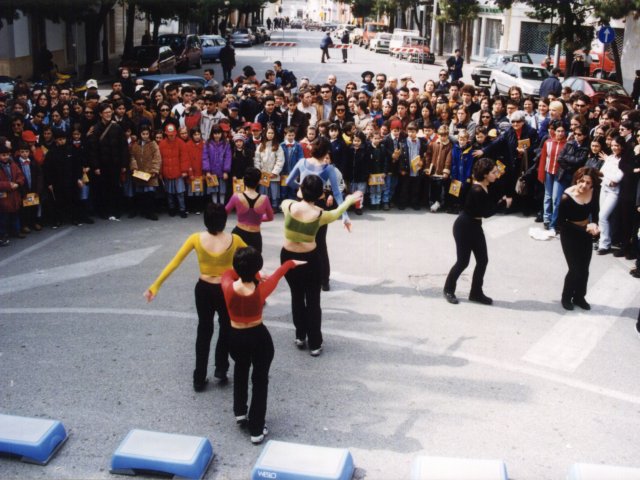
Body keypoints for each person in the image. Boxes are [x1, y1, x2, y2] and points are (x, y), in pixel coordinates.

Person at [144, 203, 248, 391]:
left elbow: (174, 263)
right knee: (226, 327)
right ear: (224, 221)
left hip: (203, 289)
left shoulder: (195, 238)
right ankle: (221, 369)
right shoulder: (236, 239)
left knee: (204, 330)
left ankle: (199, 378)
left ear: (205, 221)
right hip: (226, 289)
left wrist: (155, 285)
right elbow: (252, 260)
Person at [222, 247, 304, 444]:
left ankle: (240, 412)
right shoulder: (262, 290)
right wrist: (290, 263)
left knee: (240, 370)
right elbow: (279, 273)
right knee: (260, 380)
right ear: (257, 267)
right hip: (258, 336)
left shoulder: (226, 285)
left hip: (234, 335)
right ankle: (256, 429)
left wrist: (253, 272)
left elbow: (228, 273)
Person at [280, 174, 362, 356]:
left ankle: (300, 335)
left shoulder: (287, 205)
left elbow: (293, 201)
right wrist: (348, 200)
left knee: (296, 296)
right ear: (319, 195)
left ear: (301, 190)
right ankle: (315, 343)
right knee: (313, 300)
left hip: (288, 257)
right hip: (310, 259)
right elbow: (337, 212)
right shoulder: (321, 215)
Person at [443, 158, 512, 305]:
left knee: (482, 260)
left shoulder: (486, 185)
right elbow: (486, 212)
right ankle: (448, 289)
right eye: (493, 172)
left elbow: (496, 193)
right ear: (486, 174)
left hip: (475, 225)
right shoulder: (477, 189)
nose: (496, 174)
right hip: (464, 227)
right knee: (463, 262)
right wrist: (503, 204)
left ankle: (476, 293)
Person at [557, 167, 601, 310]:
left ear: (592, 184)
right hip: (569, 233)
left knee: (585, 268)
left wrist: (594, 224)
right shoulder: (566, 197)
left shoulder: (593, 193)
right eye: (581, 181)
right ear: (577, 179)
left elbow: (595, 212)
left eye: (588, 183)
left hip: (585, 233)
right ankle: (566, 297)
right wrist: (584, 229)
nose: (584, 185)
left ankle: (579, 297)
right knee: (575, 269)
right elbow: (560, 223)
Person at [225, 167, 274, 253]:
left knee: (236, 262)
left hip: (238, 233)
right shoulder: (265, 199)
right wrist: (258, 217)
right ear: (259, 181)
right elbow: (270, 217)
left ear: (244, 180)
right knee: (254, 264)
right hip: (255, 236)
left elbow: (224, 213)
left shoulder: (236, 196)